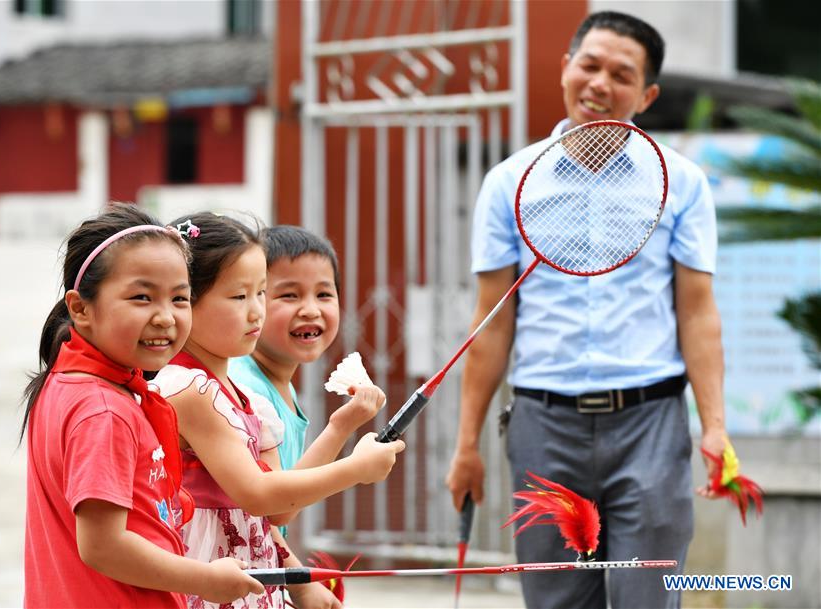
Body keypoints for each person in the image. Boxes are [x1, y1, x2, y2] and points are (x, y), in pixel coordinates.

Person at [445, 11, 730, 609]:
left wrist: (716, 426)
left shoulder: (682, 184)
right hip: (544, 427)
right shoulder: (508, 182)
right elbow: (492, 321)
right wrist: (466, 442)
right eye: (589, 65)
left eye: (621, 74)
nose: (600, 83)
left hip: (650, 423)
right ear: (566, 68)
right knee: (554, 602)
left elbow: (697, 313)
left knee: (648, 599)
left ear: (646, 94)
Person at [150, 212, 404, 609]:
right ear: (186, 302)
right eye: (238, 296)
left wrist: (340, 426)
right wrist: (356, 469)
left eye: (261, 293)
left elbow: (281, 510)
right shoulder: (188, 389)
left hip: (247, 584)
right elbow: (258, 495)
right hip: (210, 581)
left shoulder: (246, 399)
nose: (256, 311)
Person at [21, 204, 265, 608]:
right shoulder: (103, 409)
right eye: (141, 297)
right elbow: (103, 546)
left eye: (180, 299)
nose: (165, 318)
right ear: (81, 309)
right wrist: (205, 578)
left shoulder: (68, 384)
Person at [229, 225, 386, 608]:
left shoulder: (276, 382)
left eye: (324, 294)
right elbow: (269, 507)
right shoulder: (243, 386)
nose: (311, 309)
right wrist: (299, 581)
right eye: (288, 294)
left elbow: (284, 495)